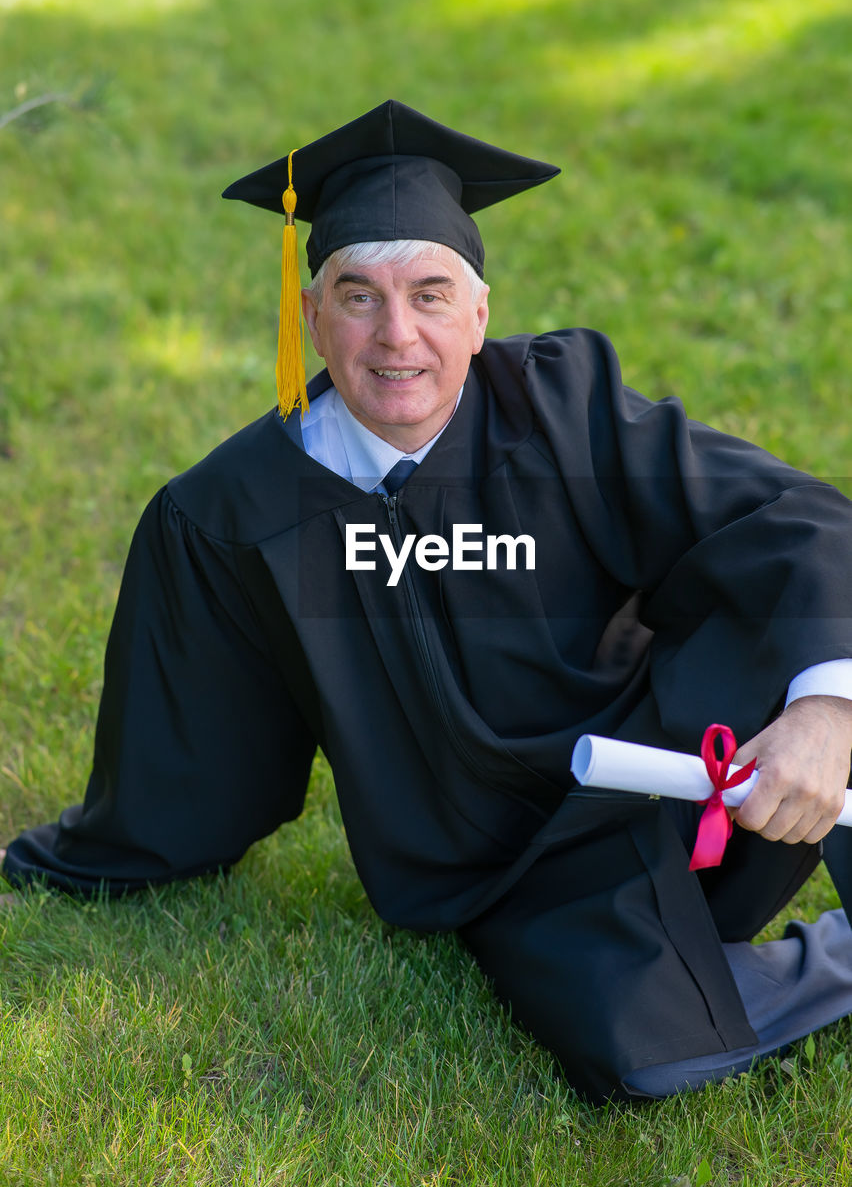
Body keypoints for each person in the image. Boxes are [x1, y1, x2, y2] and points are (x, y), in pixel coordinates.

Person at [4, 100, 852, 1102]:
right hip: (511, 869)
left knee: (812, 630)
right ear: (309, 314)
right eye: (358, 296)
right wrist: (68, 856)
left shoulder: (563, 408)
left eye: (431, 294)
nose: (396, 334)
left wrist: (825, 705)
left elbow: (791, 516)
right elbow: (190, 759)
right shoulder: (233, 518)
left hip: (680, 766)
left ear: (480, 314)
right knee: (639, 1048)